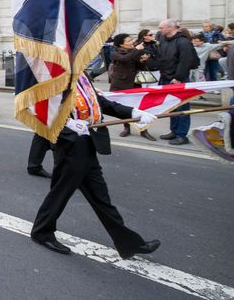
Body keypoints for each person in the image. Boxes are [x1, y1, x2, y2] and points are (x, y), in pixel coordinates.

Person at [30, 70, 161, 260]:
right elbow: (42, 108)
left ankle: (129, 243)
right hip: (70, 145)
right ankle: (41, 232)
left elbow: (99, 103)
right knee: (61, 192)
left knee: (100, 197)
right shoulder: (54, 73)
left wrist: (133, 112)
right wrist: (68, 125)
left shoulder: (81, 74)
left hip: (88, 142)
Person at [155, 19, 198, 146]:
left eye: (161, 27)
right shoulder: (163, 40)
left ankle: (181, 135)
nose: (160, 30)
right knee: (171, 107)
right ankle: (174, 131)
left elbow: (186, 61)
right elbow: (161, 58)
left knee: (182, 108)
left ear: (171, 28)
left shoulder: (183, 42)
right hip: (165, 78)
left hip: (178, 79)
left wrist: (178, 77)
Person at [109, 33, 153, 140]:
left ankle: (143, 130)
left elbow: (140, 66)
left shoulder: (134, 51)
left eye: (131, 40)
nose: (131, 42)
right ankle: (126, 128)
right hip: (121, 84)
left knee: (139, 107)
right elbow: (125, 59)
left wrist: (144, 60)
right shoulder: (115, 53)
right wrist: (137, 50)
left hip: (134, 83)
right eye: (128, 41)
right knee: (124, 108)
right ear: (121, 44)